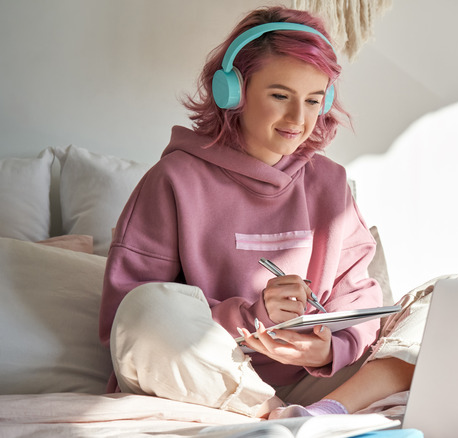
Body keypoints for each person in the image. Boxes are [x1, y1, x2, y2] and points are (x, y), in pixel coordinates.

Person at [98, 6, 426, 419]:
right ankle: (273, 415)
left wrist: (331, 349)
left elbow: (359, 296)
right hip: (204, 378)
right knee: (145, 309)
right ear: (232, 91)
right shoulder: (173, 179)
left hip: (311, 382)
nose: (298, 119)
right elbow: (125, 318)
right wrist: (255, 317)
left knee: (438, 303)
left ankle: (321, 415)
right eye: (279, 95)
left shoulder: (330, 182)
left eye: (312, 101)